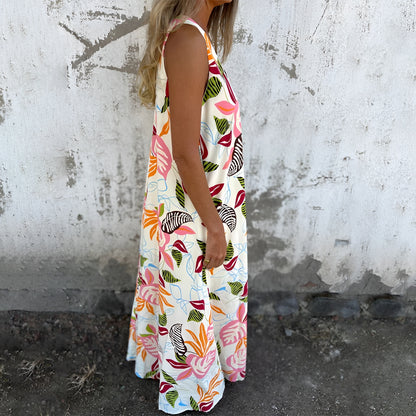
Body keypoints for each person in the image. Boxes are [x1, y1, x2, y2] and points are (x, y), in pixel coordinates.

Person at [126, 0, 247, 413]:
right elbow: (184, 151)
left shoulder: (194, 37)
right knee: (188, 294)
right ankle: (190, 387)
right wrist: (213, 224)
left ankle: (195, 371)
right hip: (195, 207)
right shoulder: (188, 40)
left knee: (193, 292)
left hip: (204, 200)